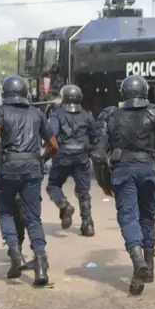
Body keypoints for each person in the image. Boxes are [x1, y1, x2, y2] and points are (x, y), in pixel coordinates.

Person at [93, 75, 155, 296]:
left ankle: (138, 260)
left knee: (128, 217)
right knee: (147, 216)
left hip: (122, 170)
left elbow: (98, 155)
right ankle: (148, 269)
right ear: (145, 91)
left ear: (123, 93)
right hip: (147, 168)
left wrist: (104, 182)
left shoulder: (109, 115)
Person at [0, 75, 58, 285]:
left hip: (9, 169)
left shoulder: (1, 111)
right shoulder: (37, 113)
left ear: (5, 93)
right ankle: (41, 266)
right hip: (33, 170)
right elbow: (54, 145)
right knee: (34, 218)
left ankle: (16, 255)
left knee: (5, 211)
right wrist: (39, 160)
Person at [45, 85, 99, 236]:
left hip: (62, 156)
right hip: (82, 157)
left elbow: (52, 135)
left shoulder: (56, 115)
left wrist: (44, 156)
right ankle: (87, 225)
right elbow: (96, 136)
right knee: (83, 192)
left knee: (53, 186)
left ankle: (64, 205)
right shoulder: (87, 115)